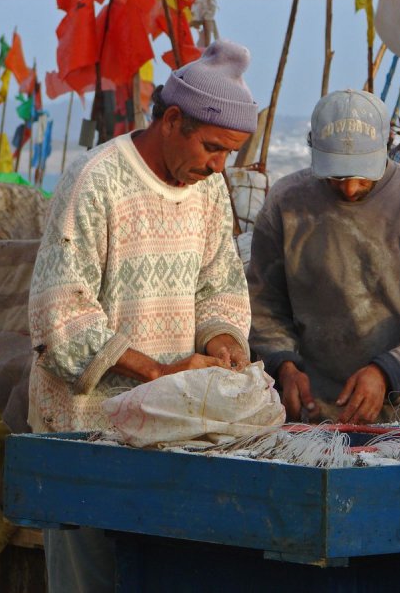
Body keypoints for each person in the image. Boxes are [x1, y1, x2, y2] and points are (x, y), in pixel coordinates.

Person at [27, 40, 258, 592]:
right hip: (88, 438)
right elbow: (60, 320)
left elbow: (220, 285)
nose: (217, 165)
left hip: (171, 439)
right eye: (211, 148)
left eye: (229, 154)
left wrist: (223, 338)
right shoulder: (96, 181)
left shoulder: (208, 192)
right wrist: (159, 374)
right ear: (172, 119)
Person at [247, 89, 400, 425]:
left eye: (362, 175)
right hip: (324, 412)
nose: (350, 188)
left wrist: (388, 371)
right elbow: (262, 305)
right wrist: (284, 365)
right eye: (336, 176)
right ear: (313, 148)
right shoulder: (286, 203)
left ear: (388, 144)